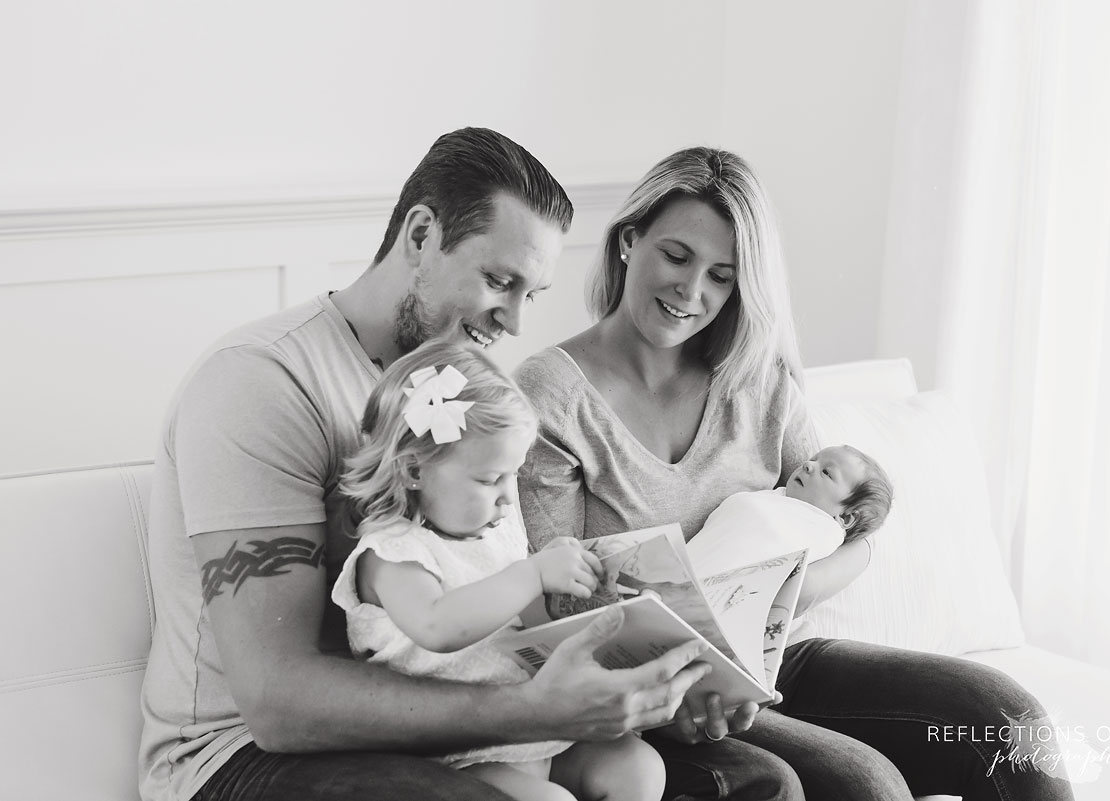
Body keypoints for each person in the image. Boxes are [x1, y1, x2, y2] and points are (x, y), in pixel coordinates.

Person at [138, 128, 720, 801]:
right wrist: (538, 708)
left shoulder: (467, 396)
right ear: (420, 235)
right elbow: (276, 700)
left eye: (530, 292)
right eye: (500, 281)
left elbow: (494, 588)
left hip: (430, 721)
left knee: (748, 779)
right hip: (237, 756)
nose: (514, 321)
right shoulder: (262, 382)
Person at [515, 146, 1077, 800]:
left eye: (722, 275)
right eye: (675, 256)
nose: (691, 291)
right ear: (628, 240)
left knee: (1010, 723)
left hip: (784, 660)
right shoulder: (549, 395)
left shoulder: (755, 380)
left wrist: (778, 597)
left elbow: (857, 538)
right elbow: (553, 604)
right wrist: (695, 664)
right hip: (654, 686)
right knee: (866, 785)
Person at [332, 339, 665, 801]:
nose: (510, 496)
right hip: (458, 754)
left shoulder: (497, 526)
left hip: (538, 729)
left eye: (515, 473)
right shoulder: (392, 553)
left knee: (640, 768)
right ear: (414, 471)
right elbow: (436, 626)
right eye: (490, 480)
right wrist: (531, 575)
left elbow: (521, 613)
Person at [687, 445, 894, 579]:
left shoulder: (823, 531)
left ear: (846, 517)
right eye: (814, 458)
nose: (808, 464)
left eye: (826, 472)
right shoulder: (779, 498)